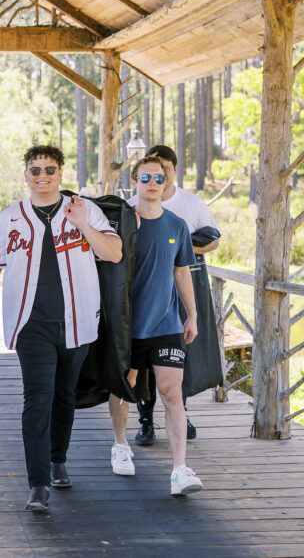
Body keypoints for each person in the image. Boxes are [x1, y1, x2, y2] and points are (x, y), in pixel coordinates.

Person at [0, 145, 122, 513]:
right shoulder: (10, 218)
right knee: (37, 397)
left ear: (61, 174)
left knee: (64, 396)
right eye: (35, 170)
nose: (42, 176)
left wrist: (82, 225)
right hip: (31, 322)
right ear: (25, 175)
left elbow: (113, 252)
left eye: (49, 169)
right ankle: (38, 484)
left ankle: (58, 459)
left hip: (77, 320)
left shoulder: (84, 209)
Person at [108, 154, 203, 496]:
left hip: (166, 322)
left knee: (172, 392)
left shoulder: (177, 225)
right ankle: (120, 444)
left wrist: (191, 315)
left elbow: (181, 272)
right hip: (128, 324)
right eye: (145, 178)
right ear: (134, 182)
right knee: (125, 387)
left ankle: (180, 469)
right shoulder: (121, 221)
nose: (151, 184)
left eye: (158, 179)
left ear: (167, 183)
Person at [127, 144, 221, 445]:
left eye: (164, 171)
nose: (157, 179)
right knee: (139, 368)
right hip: (143, 296)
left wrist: (174, 246)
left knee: (178, 362)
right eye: (150, 175)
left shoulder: (191, 205)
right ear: (138, 178)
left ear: (173, 172)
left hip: (180, 293)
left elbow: (212, 241)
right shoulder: (132, 206)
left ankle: (182, 413)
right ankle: (145, 421)